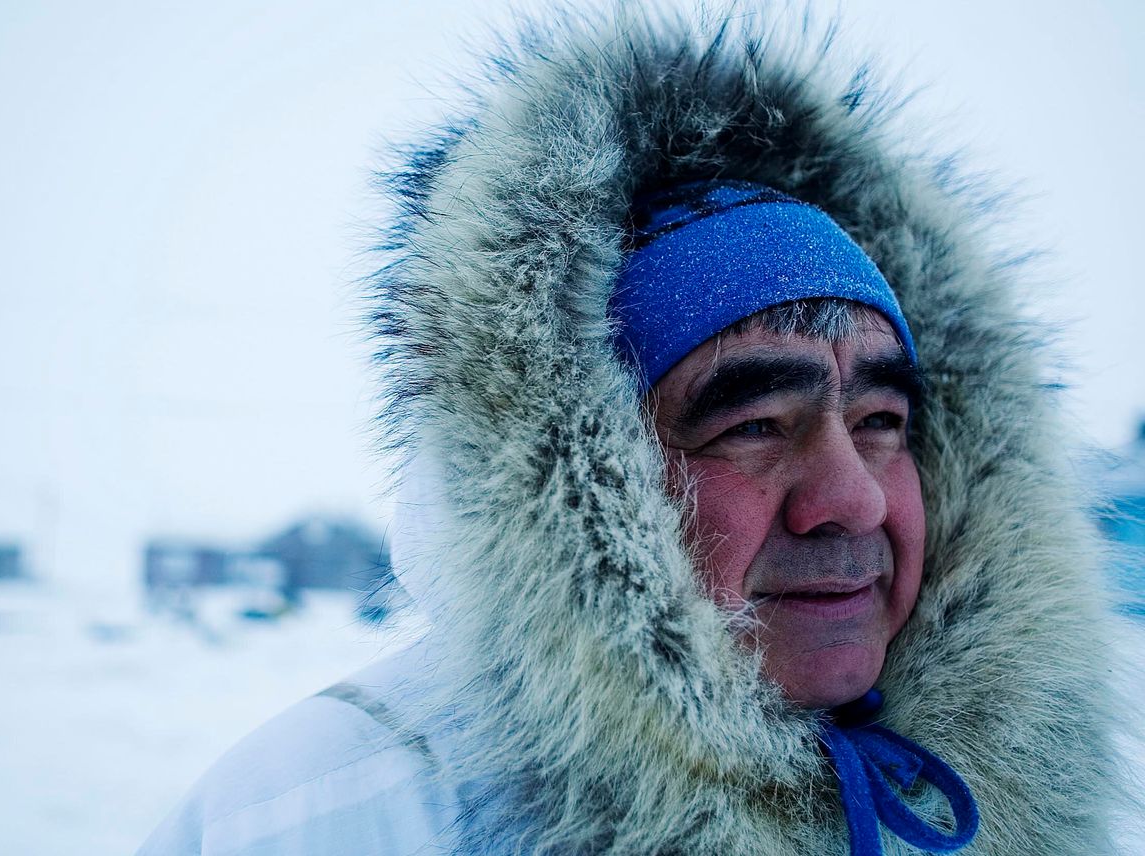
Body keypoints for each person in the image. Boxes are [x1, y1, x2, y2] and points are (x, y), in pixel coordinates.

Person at [138, 8, 1127, 855]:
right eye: (753, 423)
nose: (853, 496)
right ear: (586, 491)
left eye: (879, 421)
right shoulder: (331, 810)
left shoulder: (988, 806)